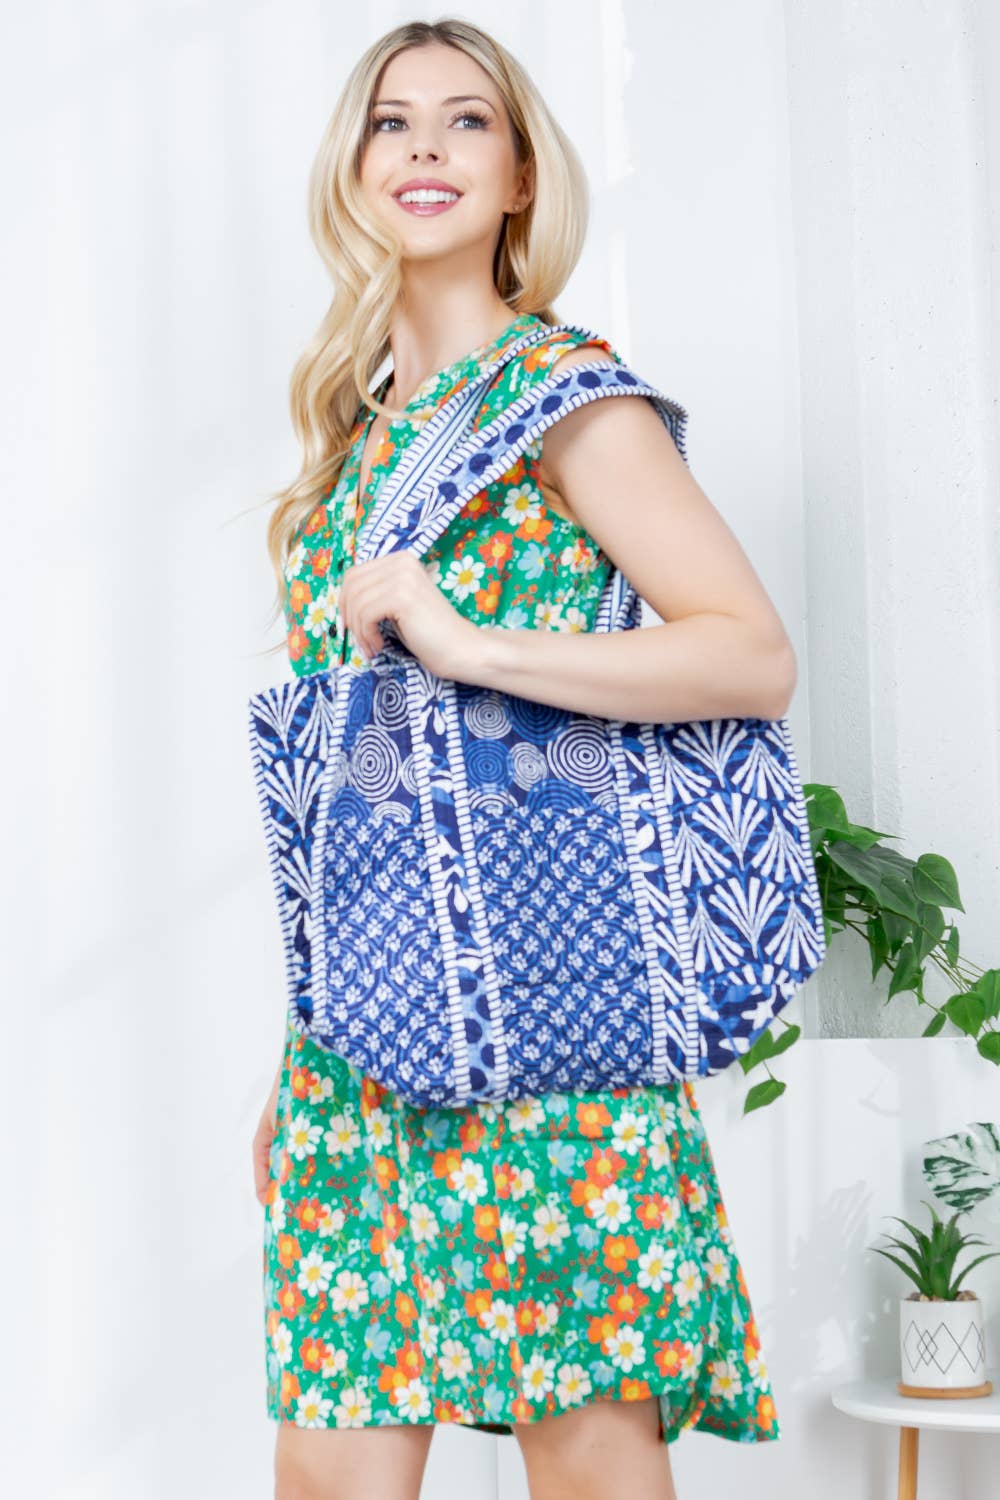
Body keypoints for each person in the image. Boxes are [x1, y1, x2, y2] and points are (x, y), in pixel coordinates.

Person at [252, 17, 796, 1500]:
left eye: (467, 120)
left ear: (520, 174)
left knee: (590, 1452)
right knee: (328, 1466)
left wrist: (475, 646)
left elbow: (749, 652)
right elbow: (357, 789)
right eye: (391, 121)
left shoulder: (570, 397)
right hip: (369, 1032)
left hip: (557, 992)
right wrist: (300, 1049)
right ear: (354, 168)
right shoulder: (350, 448)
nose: (426, 147)